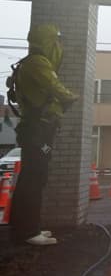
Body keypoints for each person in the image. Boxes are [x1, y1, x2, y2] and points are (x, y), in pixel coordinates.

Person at [9, 24, 78, 246]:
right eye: (56, 41)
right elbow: (55, 87)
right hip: (38, 129)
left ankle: (25, 227)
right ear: (48, 41)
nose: (59, 46)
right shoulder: (38, 63)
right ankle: (28, 231)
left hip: (35, 129)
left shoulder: (31, 62)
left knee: (32, 176)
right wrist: (71, 97)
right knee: (34, 177)